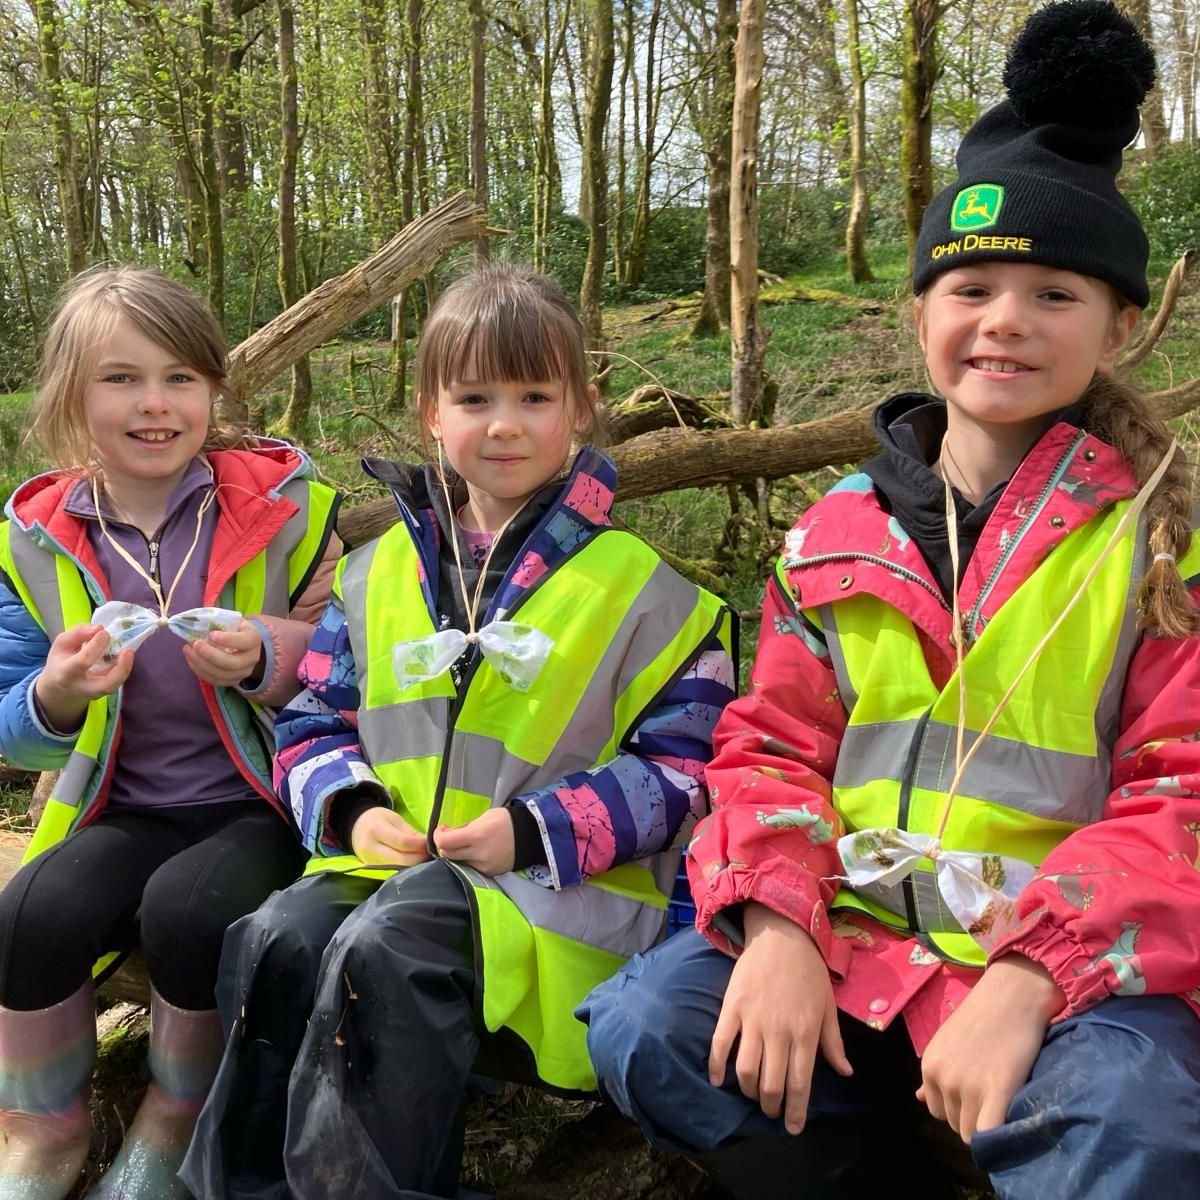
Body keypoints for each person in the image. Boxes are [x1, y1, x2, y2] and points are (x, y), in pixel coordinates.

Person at [581, 4, 1200, 1197]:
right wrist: (777, 926)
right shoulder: (833, 534)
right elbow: (768, 751)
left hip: (1074, 977)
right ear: (918, 312)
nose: (1005, 320)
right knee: (652, 1027)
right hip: (862, 948)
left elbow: (1183, 798)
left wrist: (1029, 980)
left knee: (1137, 1128)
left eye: (1055, 295)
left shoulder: (1163, 547)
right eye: (969, 286)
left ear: (1123, 324)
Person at [179, 262, 736, 1200]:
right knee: (273, 938)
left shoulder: (651, 596)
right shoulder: (378, 573)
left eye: (534, 395)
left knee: (387, 951)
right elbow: (316, 718)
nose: (504, 423)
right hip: (383, 867)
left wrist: (531, 831)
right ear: (432, 412)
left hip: (555, 896)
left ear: (582, 410)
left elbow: (682, 771)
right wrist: (351, 810)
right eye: (475, 397)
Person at [0, 266, 340, 1200]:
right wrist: (59, 695)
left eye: (181, 377)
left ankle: (178, 1110)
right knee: (27, 914)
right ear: (71, 395)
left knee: (188, 913)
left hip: (260, 803)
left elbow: (352, 672)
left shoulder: (287, 514)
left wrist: (270, 652)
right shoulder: (30, 537)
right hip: (121, 805)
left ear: (214, 391)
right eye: (120, 378)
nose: (155, 404)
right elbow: (12, 727)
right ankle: (39, 1123)